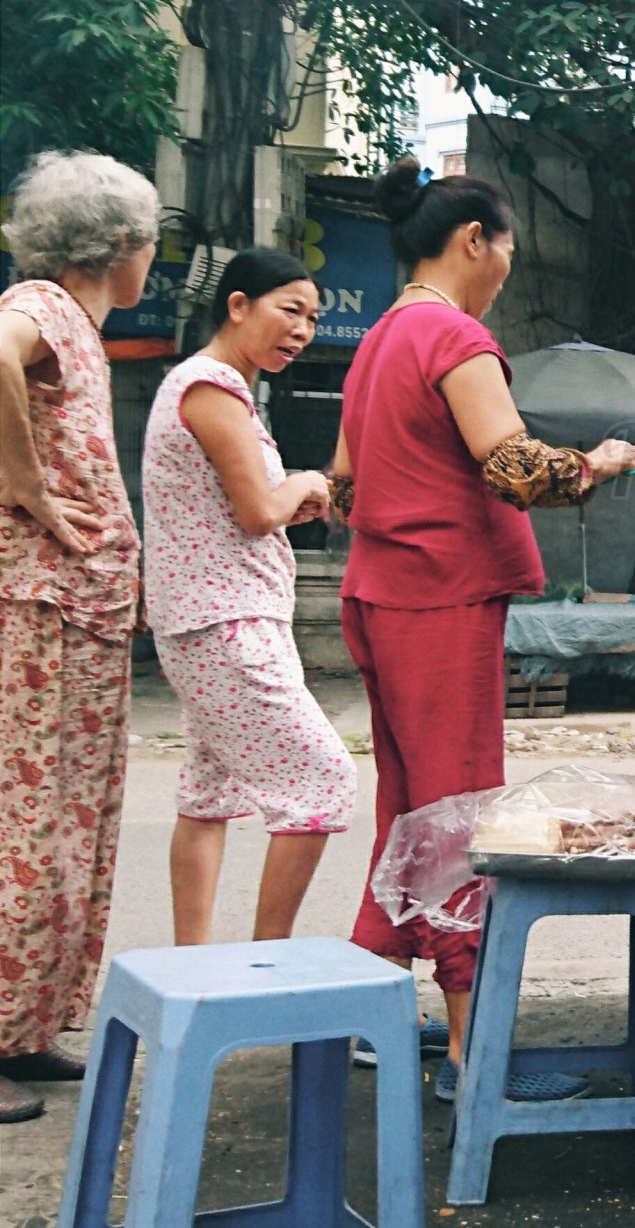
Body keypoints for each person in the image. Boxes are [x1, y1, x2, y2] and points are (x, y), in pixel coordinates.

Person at [330, 159, 635, 1102]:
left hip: (379, 594)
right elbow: (513, 467)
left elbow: (342, 486)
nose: (507, 269)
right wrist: (595, 463)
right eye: (506, 249)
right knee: (461, 813)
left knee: (409, 807)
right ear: (474, 241)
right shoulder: (452, 335)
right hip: (440, 598)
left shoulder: (378, 340)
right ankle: (472, 1054)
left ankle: (374, 1010)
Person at [0, 151, 159, 1125]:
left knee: (68, 826)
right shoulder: (44, 307)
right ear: (119, 244)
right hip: (43, 606)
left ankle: (22, 1025)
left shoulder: (79, 329)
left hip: (82, 611)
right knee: (23, 824)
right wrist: (22, 480)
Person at [142, 248, 356, 948]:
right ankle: (268, 961)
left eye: (312, 319)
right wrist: (304, 484)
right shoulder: (212, 386)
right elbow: (259, 512)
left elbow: (238, 508)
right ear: (238, 305)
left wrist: (288, 497)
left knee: (209, 796)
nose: (302, 331)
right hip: (226, 622)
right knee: (323, 782)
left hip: (214, 618)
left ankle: (193, 962)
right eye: (289, 310)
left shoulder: (209, 386)